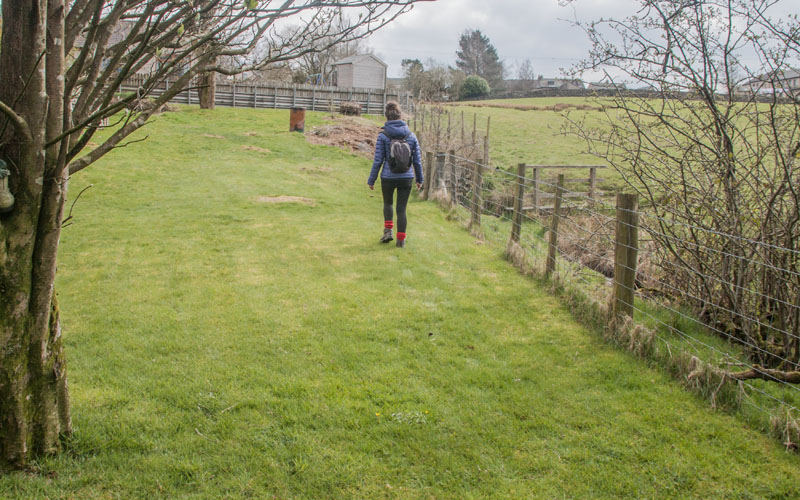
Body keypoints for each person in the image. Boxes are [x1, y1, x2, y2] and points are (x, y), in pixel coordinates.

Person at [367, 101, 424, 248]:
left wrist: (372, 179)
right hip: (407, 177)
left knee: (388, 204)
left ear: (386, 116)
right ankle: (401, 240)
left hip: (388, 177)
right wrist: (420, 179)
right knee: (401, 209)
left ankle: (388, 232)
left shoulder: (383, 136)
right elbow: (417, 160)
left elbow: (378, 160)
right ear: (401, 116)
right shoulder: (411, 136)